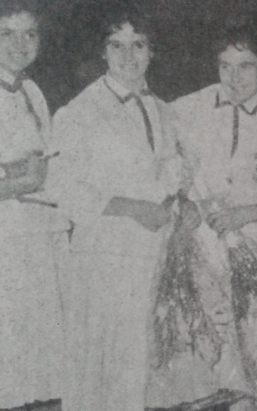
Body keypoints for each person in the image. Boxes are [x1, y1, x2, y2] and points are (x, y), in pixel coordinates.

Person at [145, 26, 257, 411]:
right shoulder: (183, 110)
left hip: (256, 253)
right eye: (225, 66)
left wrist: (246, 213)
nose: (235, 77)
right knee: (198, 361)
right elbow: (162, 173)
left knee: (252, 366)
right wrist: (184, 203)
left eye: (245, 66)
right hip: (196, 252)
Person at [46, 10, 185, 411]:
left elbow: (172, 172)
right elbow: (61, 186)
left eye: (138, 45)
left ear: (152, 51)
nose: (128, 56)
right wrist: (131, 208)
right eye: (116, 46)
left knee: (144, 370)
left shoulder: (164, 110)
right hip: (105, 257)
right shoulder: (80, 110)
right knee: (101, 371)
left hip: (154, 256)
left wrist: (181, 200)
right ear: (102, 52)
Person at [0, 1, 69, 410]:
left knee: (40, 361)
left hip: (40, 233)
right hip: (6, 235)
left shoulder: (32, 91)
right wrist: (14, 183)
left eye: (29, 34)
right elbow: (23, 177)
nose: (19, 44)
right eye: (6, 33)